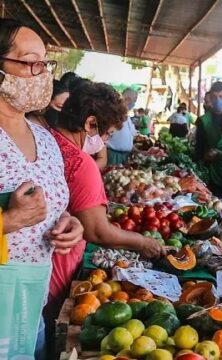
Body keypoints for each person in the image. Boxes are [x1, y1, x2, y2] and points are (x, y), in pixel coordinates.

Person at [45, 82, 164, 351]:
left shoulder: (44, 140)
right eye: (107, 135)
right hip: (56, 269)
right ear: (90, 124)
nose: (105, 143)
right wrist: (143, 243)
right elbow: (97, 231)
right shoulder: (82, 163)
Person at [0, 19, 83, 359]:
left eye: (46, 63)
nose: (43, 73)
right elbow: (16, 216)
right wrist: (9, 221)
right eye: (31, 62)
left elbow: (52, 201)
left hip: (31, 298)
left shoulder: (45, 140)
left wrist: (68, 221)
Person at [194, 82, 222, 196]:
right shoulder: (203, 121)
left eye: (221, 97)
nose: (218, 100)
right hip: (210, 174)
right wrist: (205, 157)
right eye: (214, 97)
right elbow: (198, 149)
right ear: (210, 99)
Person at [107, 87, 138, 165]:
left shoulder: (127, 117)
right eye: (134, 100)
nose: (133, 104)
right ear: (127, 99)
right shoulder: (114, 114)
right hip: (113, 156)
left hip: (125, 156)